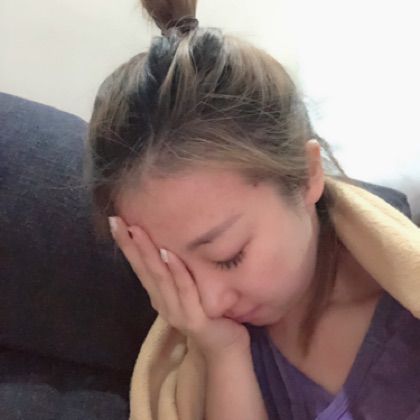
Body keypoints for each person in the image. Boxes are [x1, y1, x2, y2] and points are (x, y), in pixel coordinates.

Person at [83, 1, 420, 419]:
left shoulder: (403, 319)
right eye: (173, 272)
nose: (208, 303)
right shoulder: (220, 350)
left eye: (228, 257)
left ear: (307, 176)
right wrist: (223, 352)